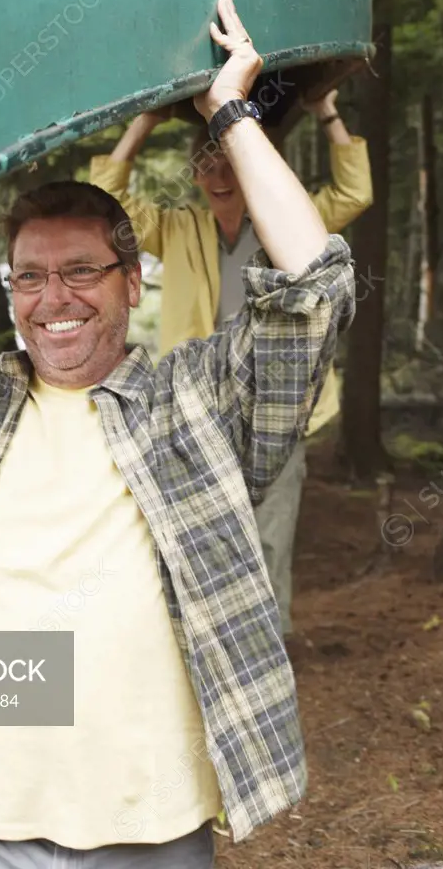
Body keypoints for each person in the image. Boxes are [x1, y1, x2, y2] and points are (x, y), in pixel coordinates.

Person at [0, 0, 355, 869]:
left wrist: (228, 111)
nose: (54, 300)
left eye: (82, 270)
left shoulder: (196, 403)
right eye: (31, 278)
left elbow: (314, 285)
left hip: (149, 830)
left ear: (133, 281)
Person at [89, 87, 372, 638]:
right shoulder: (177, 229)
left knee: (271, 530)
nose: (219, 175)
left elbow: (355, 191)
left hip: (279, 402)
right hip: (200, 402)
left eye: (229, 162)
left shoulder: (292, 220)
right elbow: (105, 198)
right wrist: (143, 121)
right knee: (196, 530)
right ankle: (199, 643)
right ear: (196, 173)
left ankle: (268, 646)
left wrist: (327, 111)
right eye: (207, 164)